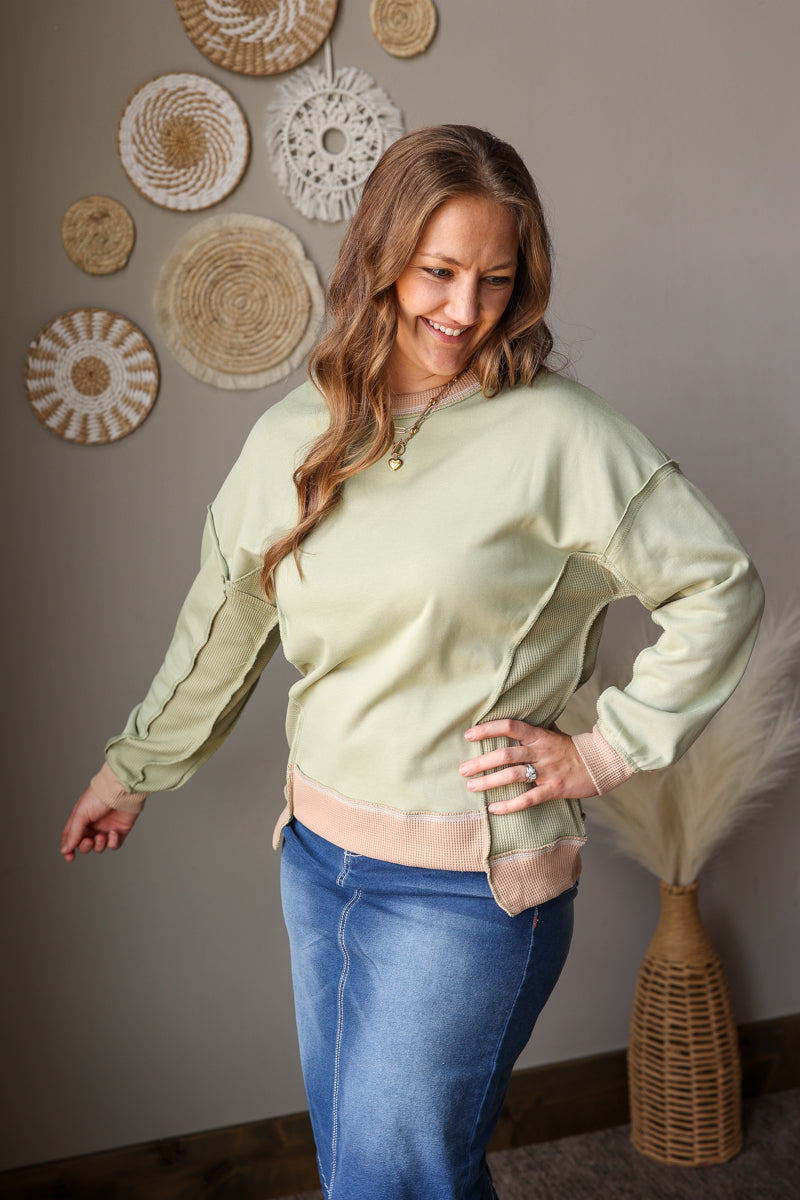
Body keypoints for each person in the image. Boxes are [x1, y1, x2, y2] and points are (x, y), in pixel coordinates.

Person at [60, 125, 763, 1200]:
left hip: (468, 889)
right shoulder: (298, 434)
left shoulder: (558, 434)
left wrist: (604, 751)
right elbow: (226, 619)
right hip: (315, 861)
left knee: (393, 1182)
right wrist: (131, 770)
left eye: (495, 278)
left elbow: (719, 586)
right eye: (438, 271)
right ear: (378, 259)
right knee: (370, 1176)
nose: (464, 308)